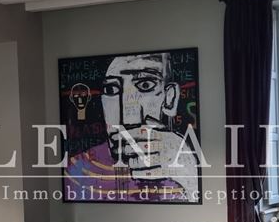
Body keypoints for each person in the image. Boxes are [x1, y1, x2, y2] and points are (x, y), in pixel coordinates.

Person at [65, 52, 200, 202]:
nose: (128, 119)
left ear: (170, 98)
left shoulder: (186, 169)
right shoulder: (78, 170)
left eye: (146, 85)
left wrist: (190, 175)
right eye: (111, 89)